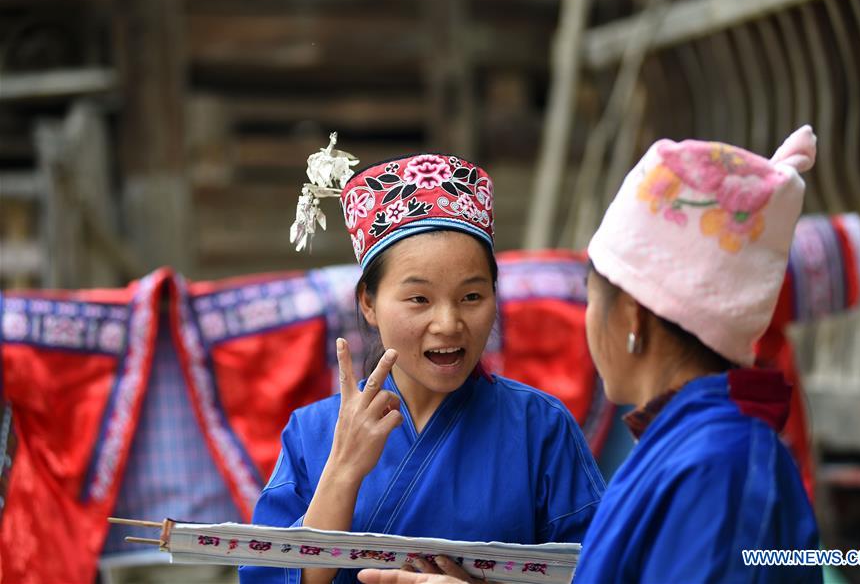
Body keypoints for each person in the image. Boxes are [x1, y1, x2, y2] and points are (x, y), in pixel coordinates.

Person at [358, 126, 823, 584]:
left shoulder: (718, 468)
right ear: (369, 303)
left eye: (591, 294)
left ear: (633, 315)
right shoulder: (694, 452)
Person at [239, 136, 606, 584]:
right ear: (368, 303)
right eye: (419, 299)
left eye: (472, 297)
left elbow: (602, 571)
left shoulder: (539, 427)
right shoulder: (312, 433)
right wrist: (343, 471)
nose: (449, 324)